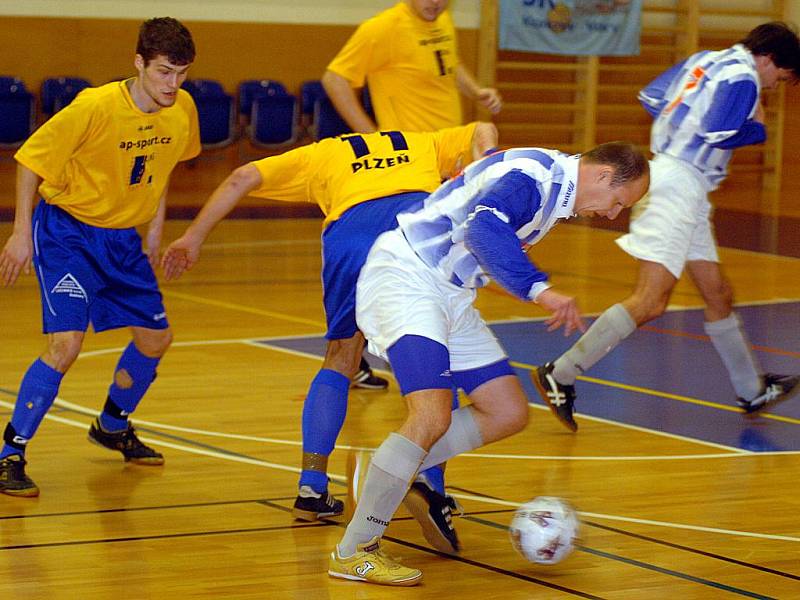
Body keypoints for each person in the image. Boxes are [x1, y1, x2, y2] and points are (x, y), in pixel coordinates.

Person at [161, 122, 498, 553]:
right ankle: (432, 486)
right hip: (412, 234)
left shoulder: (322, 154)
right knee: (438, 357)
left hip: (350, 238)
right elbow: (483, 129)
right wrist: (487, 157)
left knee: (341, 356)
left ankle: (311, 487)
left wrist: (193, 237)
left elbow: (242, 176)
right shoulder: (424, 140)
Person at [328, 142, 650, 586]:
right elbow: (483, 229)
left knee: (507, 411)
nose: (614, 215)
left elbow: (479, 235)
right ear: (599, 176)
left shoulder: (552, 189)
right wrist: (538, 288)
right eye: (618, 202)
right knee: (431, 414)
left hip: (449, 291)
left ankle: (394, 468)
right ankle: (354, 551)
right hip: (408, 277)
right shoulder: (539, 177)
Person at [532, 22, 800, 433]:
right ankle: (563, 372)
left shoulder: (705, 60)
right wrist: (757, 126)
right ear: (768, 60)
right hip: (678, 185)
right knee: (651, 300)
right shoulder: (743, 75)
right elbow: (717, 131)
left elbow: (651, 97)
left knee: (718, 293)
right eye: (779, 79)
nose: (774, 88)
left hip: (679, 181)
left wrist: (680, 132)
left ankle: (751, 389)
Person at [0, 17, 200, 497]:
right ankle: (10, 451)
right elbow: (30, 160)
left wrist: (153, 227)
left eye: (182, 73)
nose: (174, 84)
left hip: (122, 240)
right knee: (67, 343)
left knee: (156, 339)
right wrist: (20, 232)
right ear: (138, 63)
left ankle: (112, 425)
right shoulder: (94, 106)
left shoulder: (182, 108)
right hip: (68, 232)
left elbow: (165, 165)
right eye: (165, 72)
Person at [322, 0, 502, 135]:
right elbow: (334, 79)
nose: (436, 2)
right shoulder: (385, 27)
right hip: (411, 154)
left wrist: (476, 91)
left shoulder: (442, 19)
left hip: (448, 147)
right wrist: (371, 137)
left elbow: (451, 63)